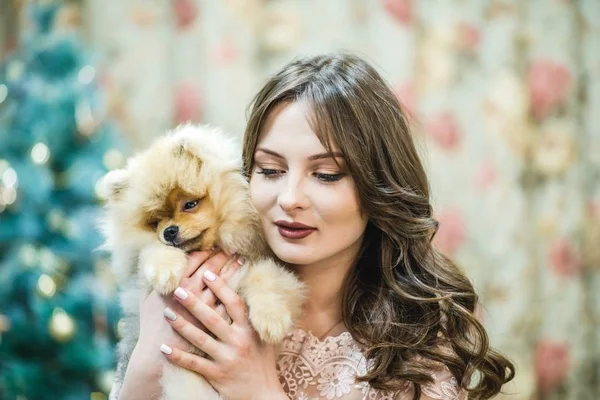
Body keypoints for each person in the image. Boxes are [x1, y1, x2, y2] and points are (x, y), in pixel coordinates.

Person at [110, 53, 515, 400]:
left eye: (326, 175)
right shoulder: (201, 293)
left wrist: (261, 391)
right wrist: (146, 364)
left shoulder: (428, 325)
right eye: (270, 170)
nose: (289, 198)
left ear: (379, 185)